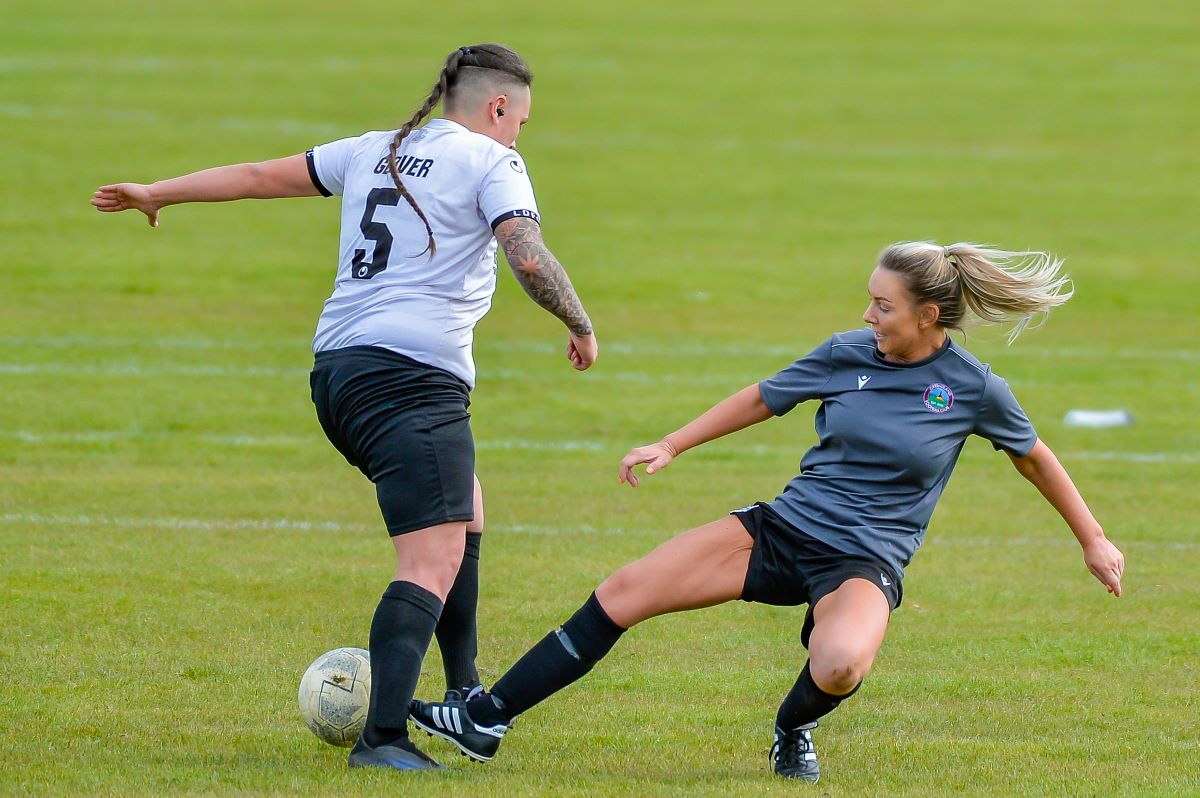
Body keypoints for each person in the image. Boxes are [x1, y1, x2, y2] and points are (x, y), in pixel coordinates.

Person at [408, 240, 1125, 782]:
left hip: (862, 562)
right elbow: (763, 397)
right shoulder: (849, 353)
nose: (867, 314)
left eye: (883, 305)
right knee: (627, 589)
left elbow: (1033, 455)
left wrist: (1092, 539)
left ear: (927, 315)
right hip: (783, 530)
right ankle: (485, 719)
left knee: (841, 663)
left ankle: (791, 729)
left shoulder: (971, 387)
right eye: (869, 300)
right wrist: (672, 443)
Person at [91, 43, 598, 773]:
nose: (520, 133)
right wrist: (579, 323)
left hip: (339, 375)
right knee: (430, 557)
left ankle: (463, 690)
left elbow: (261, 176)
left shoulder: (375, 149)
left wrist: (159, 191)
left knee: (466, 510)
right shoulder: (493, 162)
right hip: (408, 381)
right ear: (497, 108)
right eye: (520, 119)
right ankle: (383, 739)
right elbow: (525, 253)